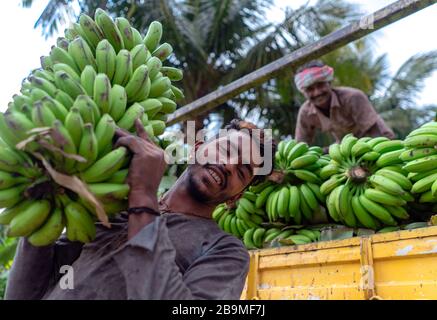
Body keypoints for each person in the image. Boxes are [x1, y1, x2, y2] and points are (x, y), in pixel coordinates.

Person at [5, 119, 275, 300]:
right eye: (226, 149)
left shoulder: (226, 251)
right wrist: (47, 194)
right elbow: (33, 286)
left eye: (242, 171)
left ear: (235, 197)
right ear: (198, 148)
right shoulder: (114, 208)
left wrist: (143, 195)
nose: (229, 165)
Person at [294, 60, 395, 145]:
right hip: (347, 146)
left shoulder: (353, 97)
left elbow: (375, 132)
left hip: (378, 138)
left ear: (329, 83)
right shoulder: (305, 112)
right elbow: (300, 145)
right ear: (304, 92)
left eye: (320, 85)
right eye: (310, 89)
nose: (317, 92)